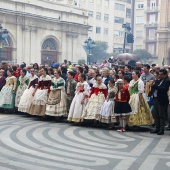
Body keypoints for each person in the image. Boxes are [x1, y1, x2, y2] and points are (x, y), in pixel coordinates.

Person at [150, 69, 170, 135]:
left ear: (165, 74)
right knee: (156, 114)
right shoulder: (159, 80)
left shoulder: (167, 80)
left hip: (162, 99)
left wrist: (155, 86)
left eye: (161, 75)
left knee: (161, 115)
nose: (160, 76)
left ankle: (162, 129)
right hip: (156, 98)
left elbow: (164, 89)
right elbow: (156, 86)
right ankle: (157, 128)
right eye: (159, 74)